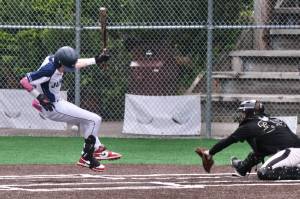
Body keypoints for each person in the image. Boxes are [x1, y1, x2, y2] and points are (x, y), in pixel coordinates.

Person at [20, 46, 122, 172]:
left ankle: (97, 149)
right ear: (59, 63)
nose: (69, 69)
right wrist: (39, 97)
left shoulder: (56, 60)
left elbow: (76, 63)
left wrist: (96, 59)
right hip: (53, 107)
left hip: (57, 102)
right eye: (67, 67)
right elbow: (24, 81)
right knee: (95, 120)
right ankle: (87, 157)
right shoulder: (48, 70)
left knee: (87, 121)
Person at [195, 99, 300, 180]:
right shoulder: (276, 120)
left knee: (264, 172)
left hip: (291, 153)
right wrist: (244, 166)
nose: (242, 116)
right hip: (293, 152)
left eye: (244, 113)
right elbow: (264, 148)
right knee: (260, 150)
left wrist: (210, 152)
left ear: (251, 113)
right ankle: (242, 167)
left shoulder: (248, 126)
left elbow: (228, 141)